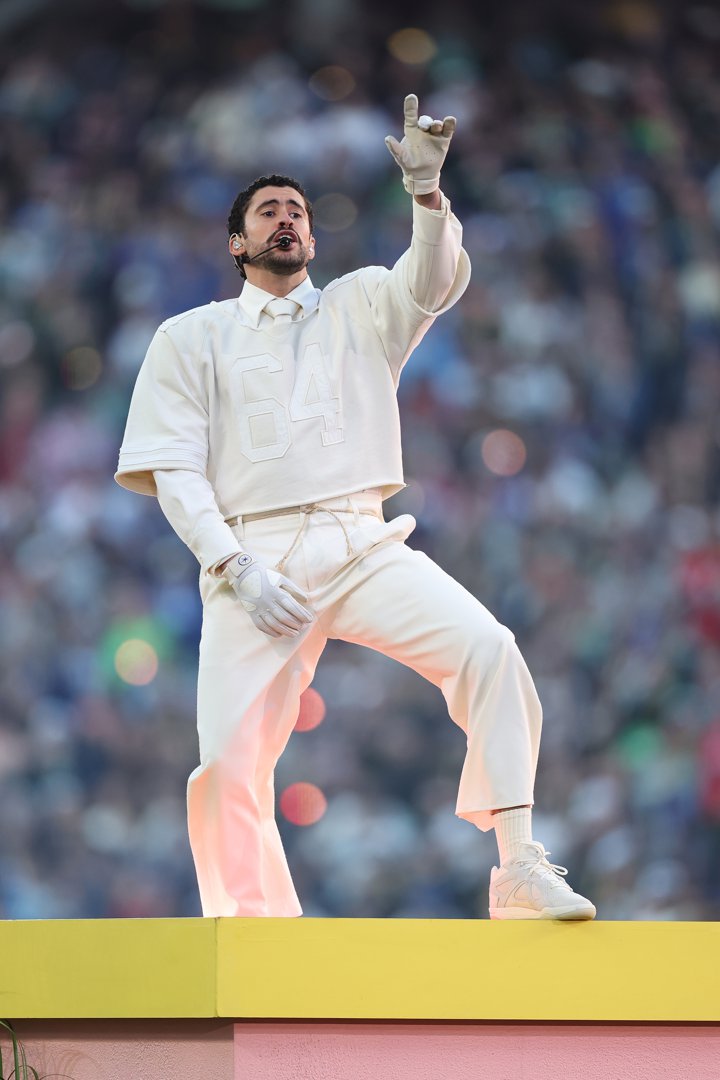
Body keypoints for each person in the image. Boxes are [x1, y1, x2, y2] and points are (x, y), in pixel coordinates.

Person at [115, 95, 596, 921]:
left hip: (361, 539)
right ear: (237, 242)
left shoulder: (363, 302)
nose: (286, 221)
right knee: (227, 763)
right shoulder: (189, 337)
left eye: (297, 211)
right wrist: (231, 564)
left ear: (313, 236)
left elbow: (434, 280)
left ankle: (517, 862)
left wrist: (427, 198)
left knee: (490, 647)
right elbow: (176, 470)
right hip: (253, 560)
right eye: (267, 211)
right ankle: (252, 930)